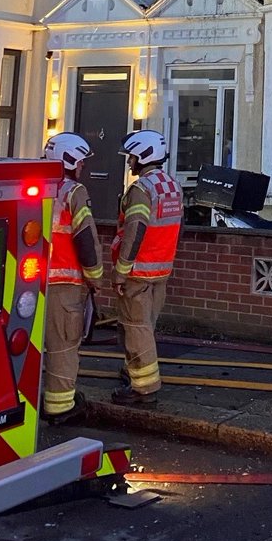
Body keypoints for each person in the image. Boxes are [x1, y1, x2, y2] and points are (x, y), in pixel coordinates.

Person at [111, 129, 184, 407]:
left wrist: (121, 270)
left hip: (138, 273)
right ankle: (134, 370)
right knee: (145, 328)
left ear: (143, 155)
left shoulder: (142, 190)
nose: (129, 163)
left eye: (131, 157)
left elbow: (134, 231)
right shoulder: (172, 187)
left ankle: (144, 388)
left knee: (135, 328)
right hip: (161, 272)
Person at [40, 132, 103, 424]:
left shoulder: (36, 186)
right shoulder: (73, 192)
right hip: (64, 285)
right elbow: (85, 239)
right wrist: (95, 277)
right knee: (63, 346)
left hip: (32, 282)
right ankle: (60, 406)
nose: (83, 168)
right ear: (70, 159)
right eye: (81, 162)